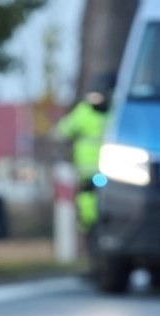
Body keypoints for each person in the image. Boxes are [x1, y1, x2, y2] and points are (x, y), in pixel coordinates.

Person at [55, 76, 113, 259]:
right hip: (88, 175)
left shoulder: (116, 112)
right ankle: (93, 255)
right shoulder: (83, 112)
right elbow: (63, 130)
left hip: (114, 173)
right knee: (88, 216)